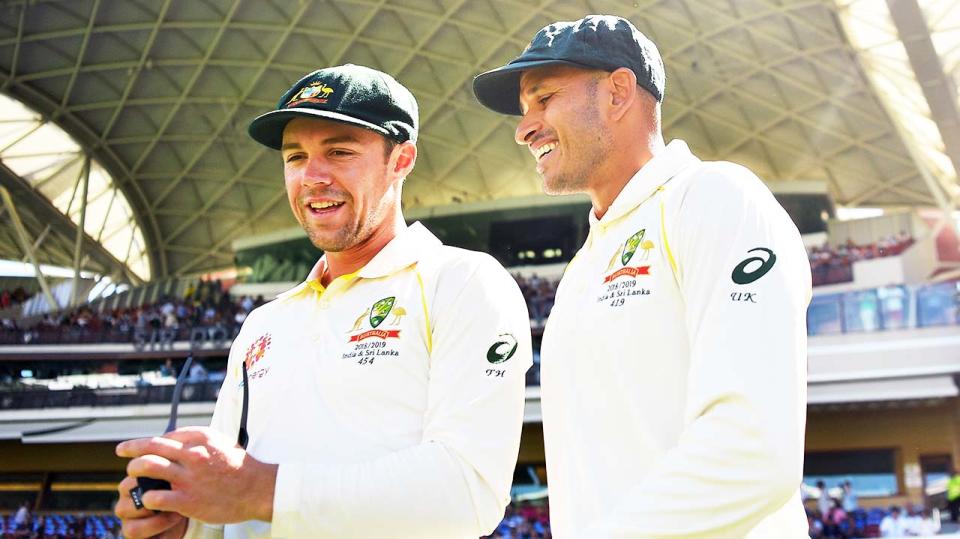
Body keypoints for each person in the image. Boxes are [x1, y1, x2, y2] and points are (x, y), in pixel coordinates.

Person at [114, 64, 532, 538]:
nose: (312, 176)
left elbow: (468, 491)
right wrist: (183, 523)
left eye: (339, 152)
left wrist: (260, 491)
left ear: (401, 160)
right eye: (295, 156)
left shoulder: (461, 282)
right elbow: (232, 502)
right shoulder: (263, 323)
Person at [473, 14, 811, 537]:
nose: (523, 129)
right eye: (523, 110)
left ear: (619, 92)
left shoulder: (713, 197)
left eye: (544, 99)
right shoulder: (587, 262)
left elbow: (754, 448)